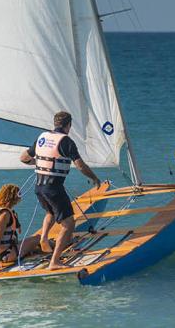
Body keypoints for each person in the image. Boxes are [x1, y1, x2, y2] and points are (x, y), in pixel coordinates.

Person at [20, 110, 102, 270]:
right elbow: (80, 165)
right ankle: (55, 261)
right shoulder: (66, 141)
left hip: (39, 188)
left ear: (55, 123)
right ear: (69, 125)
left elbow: (23, 158)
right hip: (54, 188)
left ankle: (44, 239)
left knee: (51, 213)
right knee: (69, 223)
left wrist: (40, 164)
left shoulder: (42, 137)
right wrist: (94, 178)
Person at [0, 183, 34, 273]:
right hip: (6, 255)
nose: (19, 199)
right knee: (37, 238)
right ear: (13, 198)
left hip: (0, 252)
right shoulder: (4, 215)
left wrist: (17, 224)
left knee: (30, 242)